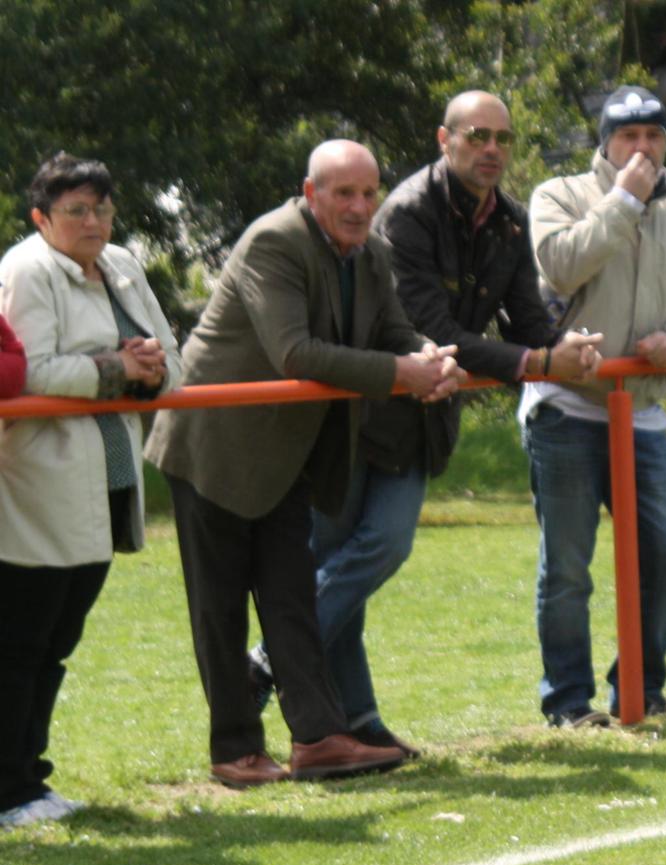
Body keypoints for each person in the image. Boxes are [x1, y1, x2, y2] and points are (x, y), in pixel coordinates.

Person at [257, 91, 604, 755]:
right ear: (445, 140)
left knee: (359, 563)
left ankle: (320, 701)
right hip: (354, 415)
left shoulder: (510, 222)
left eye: (502, 138)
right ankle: (334, 706)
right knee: (360, 560)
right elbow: (431, 331)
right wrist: (537, 362)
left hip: (420, 419)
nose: (492, 149)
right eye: (477, 136)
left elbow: (527, 322)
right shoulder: (407, 213)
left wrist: (565, 349)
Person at [146, 140, 457, 788]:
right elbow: (295, 353)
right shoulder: (274, 241)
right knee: (221, 606)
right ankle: (235, 751)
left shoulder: (371, 252)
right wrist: (401, 374)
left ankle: (318, 739)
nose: (360, 207)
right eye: (344, 193)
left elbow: (394, 332)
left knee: (292, 597)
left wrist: (430, 356)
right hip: (214, 447)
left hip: (288, 455)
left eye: (368, 193)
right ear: (311, 194)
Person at [521, 85, 666, 726]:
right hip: (566, 407)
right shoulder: (558, 197)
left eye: (653, 136)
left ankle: (640, 688)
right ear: (604, 144)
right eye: (628, 136)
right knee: (568, 567)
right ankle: (567, 702)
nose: (642, 148)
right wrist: (625, 200)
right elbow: (561, 267)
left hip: (644, 413)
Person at [0, 153, 183, 824]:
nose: (92, 222)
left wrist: (150, 371)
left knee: (58, 639)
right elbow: (27, 372)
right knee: (21, 641)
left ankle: (30, 781)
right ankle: (10, 790)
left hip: (110, 478)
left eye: (101, 208)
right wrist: (117, 368)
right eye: (75, 210)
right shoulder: (26, 269)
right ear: (41, 218)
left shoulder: (124, 265)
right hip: (40, 481)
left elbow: (173, 359)